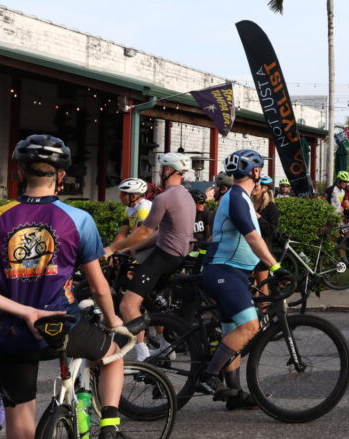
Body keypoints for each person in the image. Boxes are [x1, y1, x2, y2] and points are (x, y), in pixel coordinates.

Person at [0, 135, 131, 439]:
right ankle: (111, 426)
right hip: (61, 326)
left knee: (18, 434)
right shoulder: (78, 219)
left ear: (19, 170)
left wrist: (24, 311)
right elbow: (99, 286)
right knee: (113, 355)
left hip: (9, 332)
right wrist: (115, 320)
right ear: (60, 177)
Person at [196, 149, 291, 410]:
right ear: (256, 172)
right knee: (250, 326)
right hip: (224, 271)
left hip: (232, 271)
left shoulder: (241, 197)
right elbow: (252, 236)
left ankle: (235, 394)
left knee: (232, 332)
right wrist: (276, 267)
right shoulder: (237, 198)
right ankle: (208, 376)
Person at [106, 152, 196, 363]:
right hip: (178, 255)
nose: (159, 172)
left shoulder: (163, 197)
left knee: (128, 305)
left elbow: (144, 231)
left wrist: (112, 248)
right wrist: (133, 247)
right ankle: (166, 347)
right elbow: (159, 233)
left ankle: (142, 357)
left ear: (167, 171)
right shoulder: (186, 195)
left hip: (165, 256)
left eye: (161, 169)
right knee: (150, 300)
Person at [111, 178, 152, 255]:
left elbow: (137, 235)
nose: (120, 197)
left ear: (133, 197)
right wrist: (113, 252)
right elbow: (122, 233)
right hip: (139, 244)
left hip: (151, 246)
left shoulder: (144, 207)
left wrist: (117, 250)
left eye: (123, 194)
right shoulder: (129, 208)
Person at [190, 189, 212, 265]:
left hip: (202, 245)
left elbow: (209, 233)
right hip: (190, 246)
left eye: (204, 202)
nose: (204, 204)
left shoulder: (205, 212)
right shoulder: (186, 214)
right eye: (201, 202)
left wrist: (205, 245)